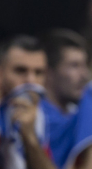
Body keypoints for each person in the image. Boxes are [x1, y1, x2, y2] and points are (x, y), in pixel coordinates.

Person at [41, 30, 92, 169]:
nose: (85, 74)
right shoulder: (36, 118)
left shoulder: (80, 113)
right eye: (74, 65)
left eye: (85, 65)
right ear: (49, 72)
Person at [0, 35, 51, 169]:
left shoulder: (49, 116)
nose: (30, 80)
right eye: (20, 70)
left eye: (38, 72)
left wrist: (29, 137)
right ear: (1, 72)